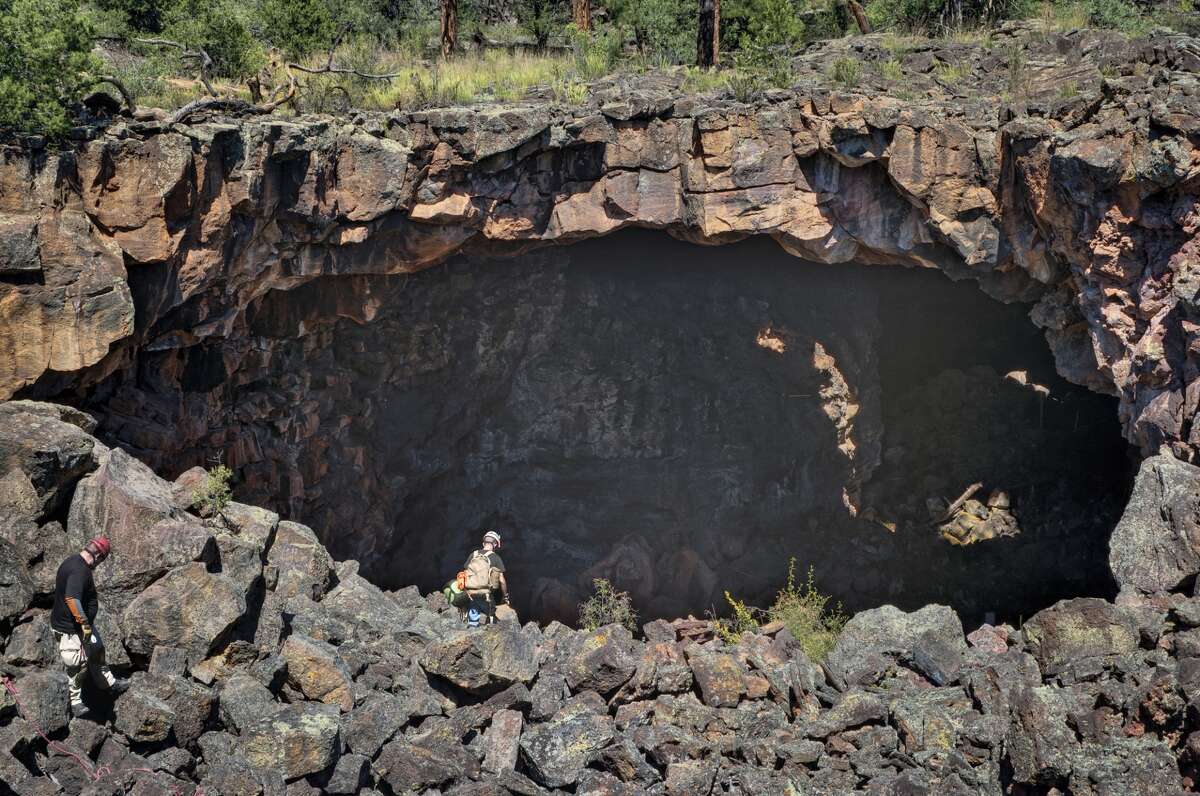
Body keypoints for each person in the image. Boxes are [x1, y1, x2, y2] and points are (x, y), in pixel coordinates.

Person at [50, 537, 127, 717]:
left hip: (83, 625)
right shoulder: (79, 571)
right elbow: (71, 598)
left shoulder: (75, 561)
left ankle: (108, 683)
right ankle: (75, 702)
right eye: (102, 560)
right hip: (70, 629)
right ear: (99, 555)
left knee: (97, 649)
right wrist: (84, 623)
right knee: (76, 664)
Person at [462, 530, 510, 625]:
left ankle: (472, 628)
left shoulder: (473, 554)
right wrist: (505, 596)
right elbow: (502, 580)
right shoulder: (496, 558)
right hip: (486, 595)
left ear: (484, 543)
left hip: (471, 593)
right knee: (491, 620)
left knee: (473, 620)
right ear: (495, 544)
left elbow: (465, 573)